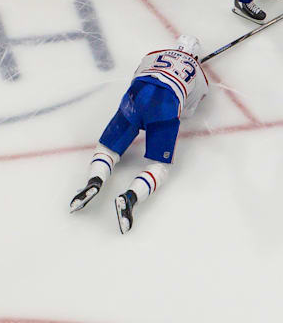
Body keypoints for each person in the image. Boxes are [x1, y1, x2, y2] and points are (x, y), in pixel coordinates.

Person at [69, 35, 208, 234]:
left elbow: (136, 76)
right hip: (165, 105)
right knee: (159, 167)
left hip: (137, 93)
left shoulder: (154, 55)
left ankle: (95, 181)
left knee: (107, 148)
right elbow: (188, 111)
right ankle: (130, 197)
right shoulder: (200, 75)